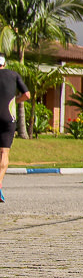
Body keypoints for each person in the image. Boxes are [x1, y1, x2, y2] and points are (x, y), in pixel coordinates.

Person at [0, 55, 31, 203]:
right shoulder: (13, 75)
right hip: (8, 116)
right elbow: (27, 95)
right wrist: (15, 101)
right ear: (4, 63)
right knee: (4, 152)